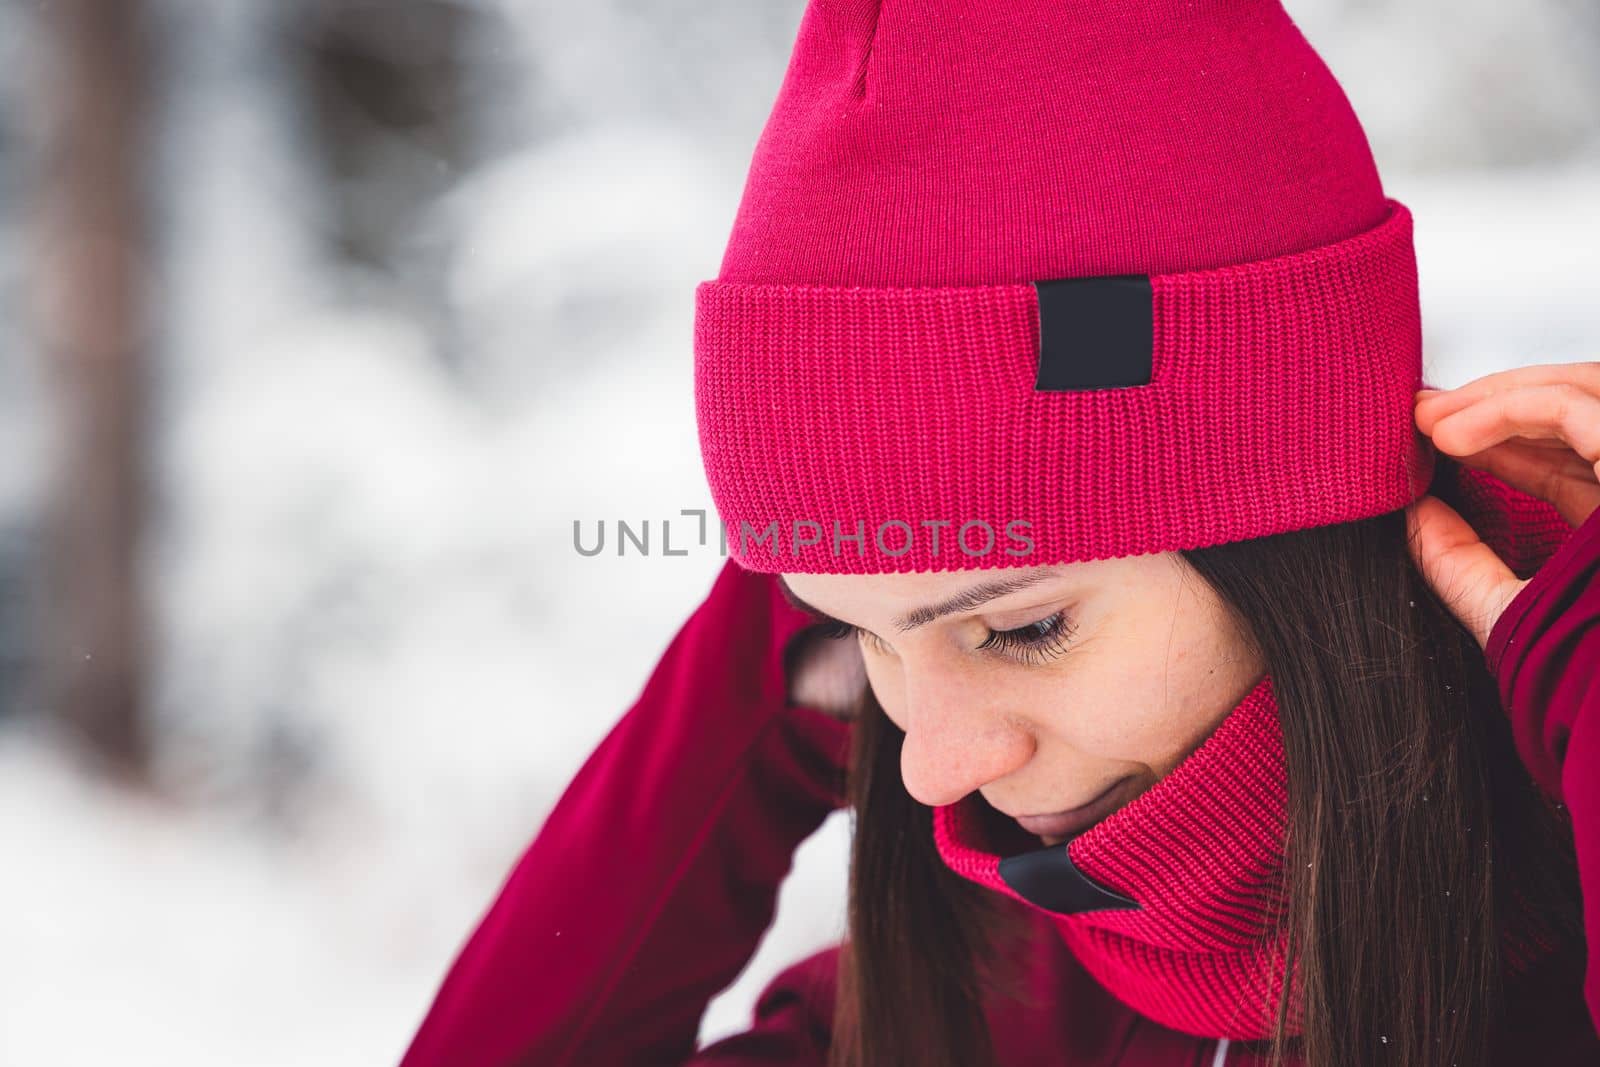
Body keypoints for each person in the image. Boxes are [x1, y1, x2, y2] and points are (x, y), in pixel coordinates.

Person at [399, 2, 1600, 1064]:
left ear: (1308, 542)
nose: (926, 765)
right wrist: (776, 657)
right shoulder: (949, 1007)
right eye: (855, 638)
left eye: (1023, 624)